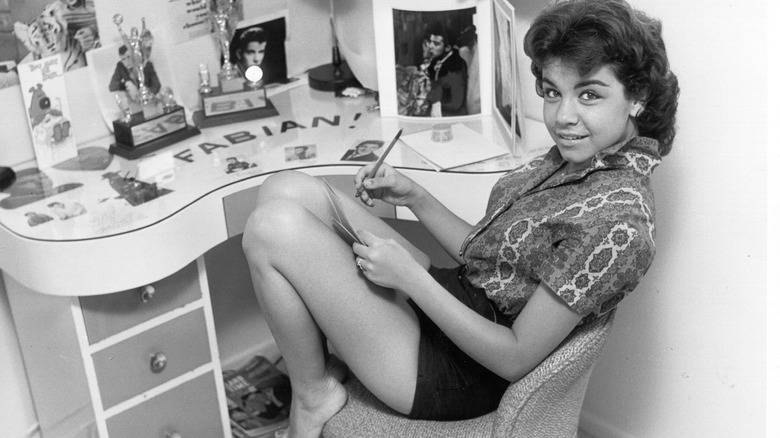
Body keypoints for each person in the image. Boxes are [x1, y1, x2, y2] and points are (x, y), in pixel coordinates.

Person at [241, 0, 679, 436]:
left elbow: (514, 357)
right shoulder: (585, 158)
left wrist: (412, 280)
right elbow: (493, 257)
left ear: (636, 96)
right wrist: (415, 196)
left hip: (458, 371)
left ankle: (314, 393)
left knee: (271, 227)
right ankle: (316, 380)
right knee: (284, 188)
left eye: (589, 94)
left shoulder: (619, 223)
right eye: (551, 92)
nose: (563, 117)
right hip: (458, 300)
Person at [424, 21, 468, 117]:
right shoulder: (438, 60)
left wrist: (429, 98)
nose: (430, 46)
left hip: (452, 118)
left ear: (447, 48)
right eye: (430, 41)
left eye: (436, 44)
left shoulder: (455, 69)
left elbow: (456, 104)